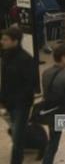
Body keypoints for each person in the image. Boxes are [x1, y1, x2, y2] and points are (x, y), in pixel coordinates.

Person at [0, 26, 36, 164]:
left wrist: (18, 100)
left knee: (17, 138)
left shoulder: (25, 59)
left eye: (6, 39)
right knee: (16, 132)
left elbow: (30, 84)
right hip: (9, 103)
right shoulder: (6, 56)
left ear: (15, 41)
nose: (2, 42)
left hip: (21, 105)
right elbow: (5, 80)